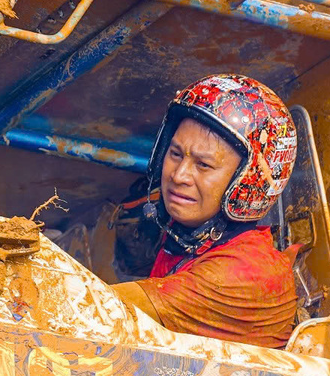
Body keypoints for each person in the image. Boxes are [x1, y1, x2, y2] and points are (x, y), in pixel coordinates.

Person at [112, 74, 299, 348]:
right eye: (175, 154)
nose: (179, 176)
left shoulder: (243, 273)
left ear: (249, 181)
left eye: (204, 165)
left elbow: (97, 307)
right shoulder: (192, 235)